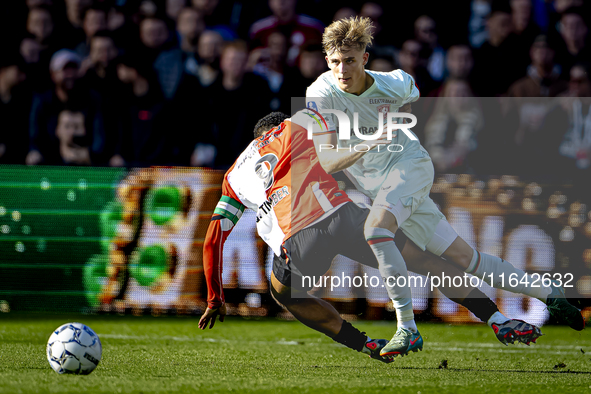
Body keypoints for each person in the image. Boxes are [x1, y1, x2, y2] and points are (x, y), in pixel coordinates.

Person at [306, 16, 584, 358]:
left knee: (376, 231)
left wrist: (394, 129)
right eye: (334, 62)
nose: (342, 70)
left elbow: (411, 93)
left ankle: (406, 328)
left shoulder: (393, 83)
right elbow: (329, 161)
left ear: (365, 58)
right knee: (467, 259)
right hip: (383, 187)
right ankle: (548, 293)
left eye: (349, 60)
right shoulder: (320, 93)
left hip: (410, 168)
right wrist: (370, 139)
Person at [199, 111, 543, 365]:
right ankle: (497, 319)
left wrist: (215, 297)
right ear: (277, 126)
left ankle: (362, 344)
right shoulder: (298, 123)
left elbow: (214, 237)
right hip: (342, 215)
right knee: (424, 261)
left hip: (298, 237)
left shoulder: (234, 174)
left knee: (284, 294)